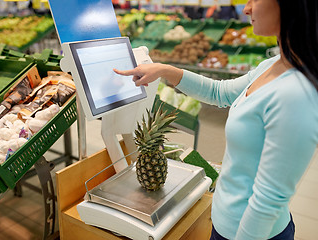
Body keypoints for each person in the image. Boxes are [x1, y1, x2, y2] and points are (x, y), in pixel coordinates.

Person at [114, 0, 318, 239]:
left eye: (255, 0)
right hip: (224, 223)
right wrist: (165, 71)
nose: (246, 8)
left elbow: (269, 200)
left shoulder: (297, 94)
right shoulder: (273, 64)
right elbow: (219, 93)